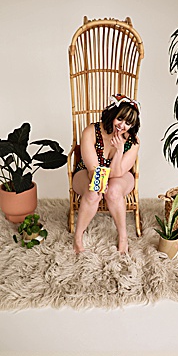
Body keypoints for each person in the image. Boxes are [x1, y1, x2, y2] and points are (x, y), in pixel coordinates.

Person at [72, 94, 140, 255]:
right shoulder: (91, 131)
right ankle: (78, 237)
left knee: (114, 191)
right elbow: (92, 168)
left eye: (128, 123)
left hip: (120, 176)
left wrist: (119, 151)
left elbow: (118, 172)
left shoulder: (133, 141)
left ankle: (123, 237)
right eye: (120, 119)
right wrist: (101, 183)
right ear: (112, 114)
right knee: (93, 193)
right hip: (88, 172)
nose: (122, 125)